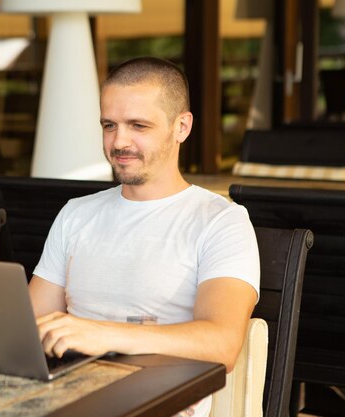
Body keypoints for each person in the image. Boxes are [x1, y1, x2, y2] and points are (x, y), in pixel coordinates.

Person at [28, 57, 260, 417]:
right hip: (68, 395)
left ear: (181, 126)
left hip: (157, 404)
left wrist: (102, 334)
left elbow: (223, 343)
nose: (119, 141)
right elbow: (29, 324)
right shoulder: (76, 213)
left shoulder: (222, 221)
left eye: (138, 125)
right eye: (109, 125)